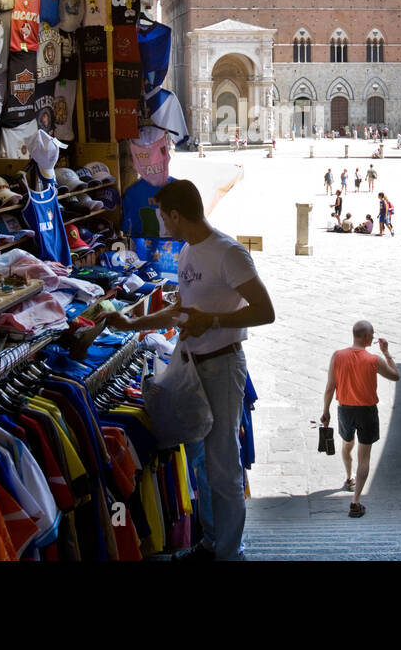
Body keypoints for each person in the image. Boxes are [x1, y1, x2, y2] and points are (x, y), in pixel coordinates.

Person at [104, 180, 273, 560]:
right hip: (191, 366)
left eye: (164, 215)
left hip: (223, 365)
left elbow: (266, 311)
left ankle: (229, 552)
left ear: (176, 215)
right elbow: (184, 312)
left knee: (223, 465)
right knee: (200, 462)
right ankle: (212, 542)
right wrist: (131, 325)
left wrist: (212, 320)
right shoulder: (187, 252)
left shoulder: (229, 253)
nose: (162, 221)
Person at [321, 321, 399, 518]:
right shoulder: (374, 360)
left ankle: (349, 477)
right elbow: (396, 376)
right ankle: (355, 501)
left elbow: (330, 386)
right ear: (366, 337)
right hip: (367, 412)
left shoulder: (337, 356)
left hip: (345, 410)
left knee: (347, 445)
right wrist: (386, 353)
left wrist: (326, 410)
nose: (373, 338)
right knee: (364, 457)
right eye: (372, 335)